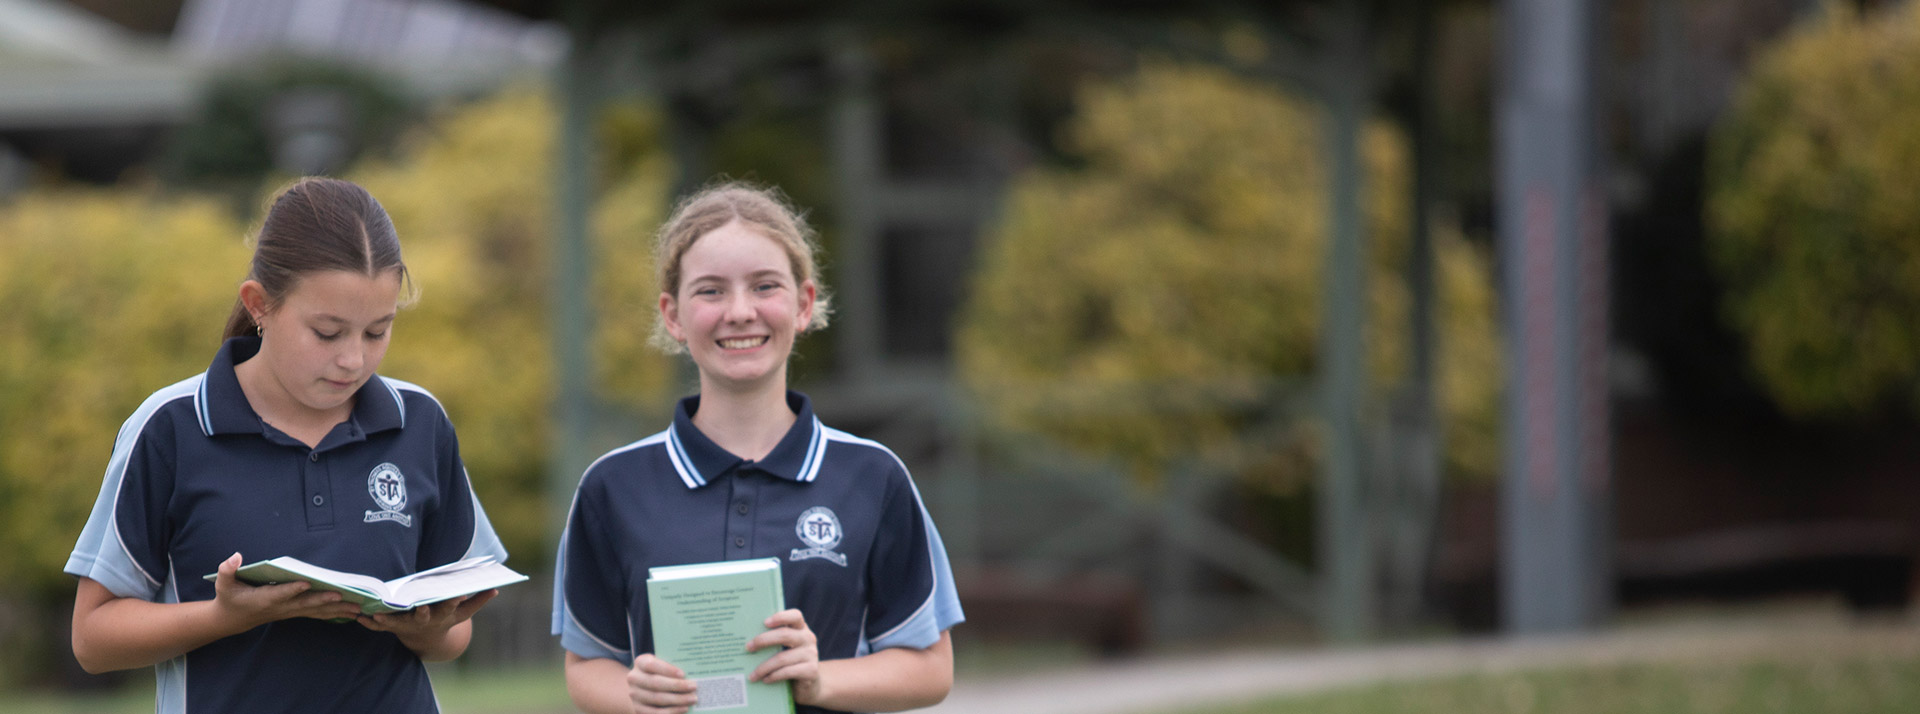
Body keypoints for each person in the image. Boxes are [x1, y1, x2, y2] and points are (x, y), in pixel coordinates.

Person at [66, 177, 509, 713]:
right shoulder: (169, 428)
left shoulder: (419, 422)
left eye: (377, 332)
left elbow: (451, 639)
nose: (353, 360)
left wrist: (426, 628)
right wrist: (225, 617)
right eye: (327, 332)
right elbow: (92, 641)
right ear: (259, 305)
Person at [553, 182, 964, 714]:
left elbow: (931, 666)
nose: (740, 311)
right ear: (672, 314)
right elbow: (588, 664)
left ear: (804, 303)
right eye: (711, 290)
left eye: (765, 286)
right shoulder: (611, 486)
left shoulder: (873, 475)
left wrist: (820, 680)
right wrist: (639, 698)